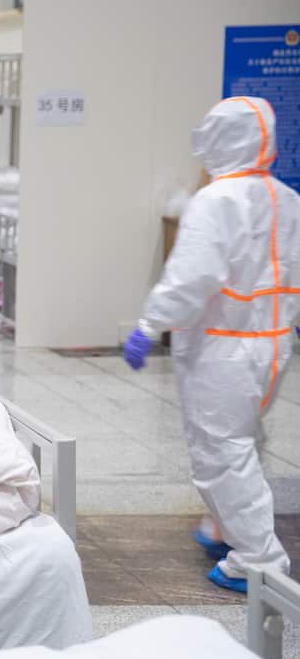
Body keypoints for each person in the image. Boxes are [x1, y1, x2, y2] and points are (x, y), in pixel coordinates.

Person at [123, 96, 299, 592]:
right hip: (273, 347)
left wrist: (149, 325)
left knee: (221, 452)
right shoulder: (287, 198)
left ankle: (260, 562)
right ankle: (222, 526)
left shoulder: (215, 201)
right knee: (244, 440)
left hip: (223, 350)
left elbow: (190, 279)